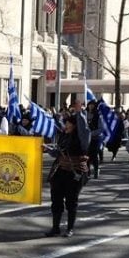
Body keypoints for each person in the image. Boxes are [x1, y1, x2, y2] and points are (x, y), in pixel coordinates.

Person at [45, 102, 90, 238]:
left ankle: (70, 228)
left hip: (75, 173)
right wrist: (47, 149)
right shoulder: (64, 136)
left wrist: (79, 114)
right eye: (66, 123)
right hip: (60, 171)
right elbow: (59, 152)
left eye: (69, 123)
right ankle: (55, 227)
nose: (66, 125)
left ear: (75, 125)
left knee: (71, 201)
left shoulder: (83, 138)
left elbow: (84, 128)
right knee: (56, 200)